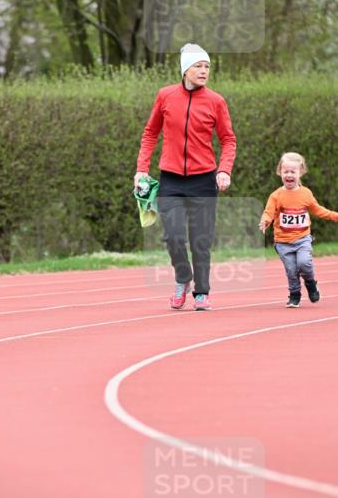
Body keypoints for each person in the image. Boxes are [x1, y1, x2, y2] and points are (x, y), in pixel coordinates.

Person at [135, 43, 236, 310]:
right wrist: (141, 169)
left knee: (201, 240)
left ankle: (201, 293)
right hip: (171, 179)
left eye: (207, 67)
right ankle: (183, 278)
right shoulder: (165, 96)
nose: (204, 71)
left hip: (204, 180)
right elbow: (149, 134)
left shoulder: (216, 101)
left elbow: (228, 139)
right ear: (185, 69)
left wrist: (224, 169)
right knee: (173, 236)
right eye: (198, 66)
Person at [259, 151, 338, 307]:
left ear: (300, 172)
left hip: (302, 238)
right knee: (291, 270)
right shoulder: (276, 195)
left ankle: (310, 283)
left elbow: (318, 209)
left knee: (304, 263)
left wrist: (335, 216)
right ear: (279, 172)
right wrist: (265, 221)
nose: (289, 175)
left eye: (293, 171)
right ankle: (294, 294)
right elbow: (269, 211)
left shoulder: (306, 193)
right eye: (285, 171)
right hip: (283, 242)